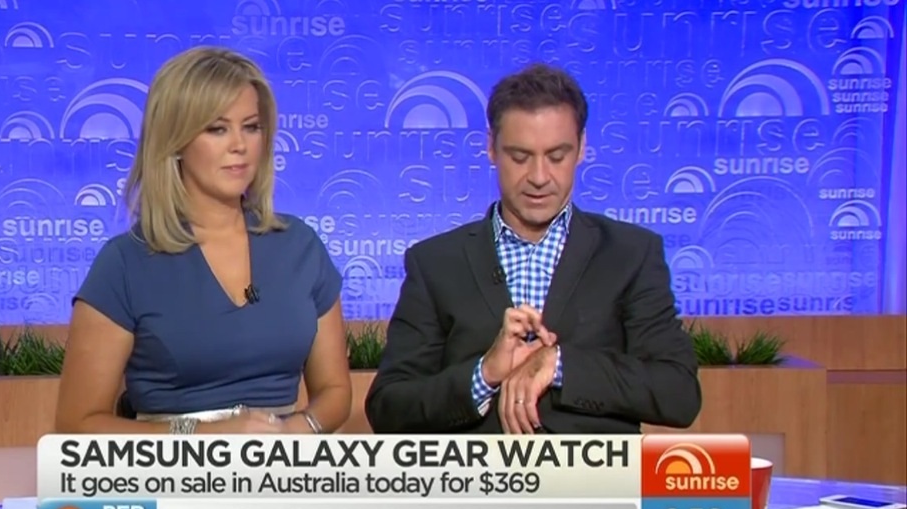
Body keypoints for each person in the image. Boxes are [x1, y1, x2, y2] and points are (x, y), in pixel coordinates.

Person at [365, 62, 701, 437]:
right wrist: (484, 375)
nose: (539, 177)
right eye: (520, 157)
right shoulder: (435, 263)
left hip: (592, 475)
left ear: (582, 148)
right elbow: (388, 408)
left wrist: (559, 364)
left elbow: (678, 392)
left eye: (556, 156)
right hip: (478, 475)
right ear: (491, 148)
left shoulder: (631, 254)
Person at [55, 46, 352, 438]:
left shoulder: (299, 247)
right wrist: (206, 437)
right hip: (171, 468)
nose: (239, 145)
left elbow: (334, 392)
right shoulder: (126, 264)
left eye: (251, 127)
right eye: (217, 129)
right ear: (175, 140)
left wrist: (297, 430)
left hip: (280, 464)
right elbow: (77, 425)